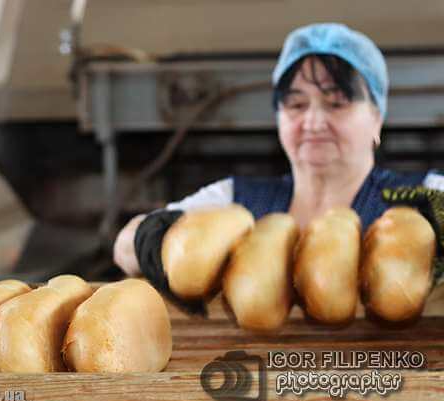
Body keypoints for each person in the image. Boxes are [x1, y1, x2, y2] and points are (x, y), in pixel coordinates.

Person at [113, 22, 444, 278]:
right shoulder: (235, 201)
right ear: (278, 119)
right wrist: (169, 248)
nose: (313, 122)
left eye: (336, 103)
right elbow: (126, 245)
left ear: (376, 118)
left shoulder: (426, 197)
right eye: (296, 104)